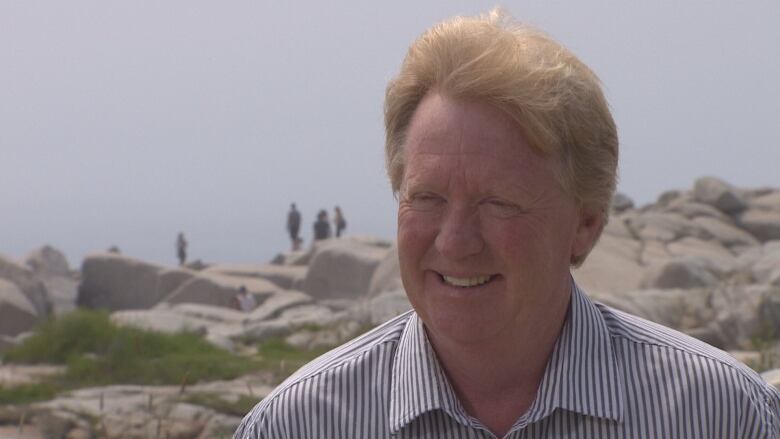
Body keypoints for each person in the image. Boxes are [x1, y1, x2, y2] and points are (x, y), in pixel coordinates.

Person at [235, 10, 779, 438]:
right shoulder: (298, 424)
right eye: (426, 198)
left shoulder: (720, 414)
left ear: (586, 223)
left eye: (498, 203)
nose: (454, 242)